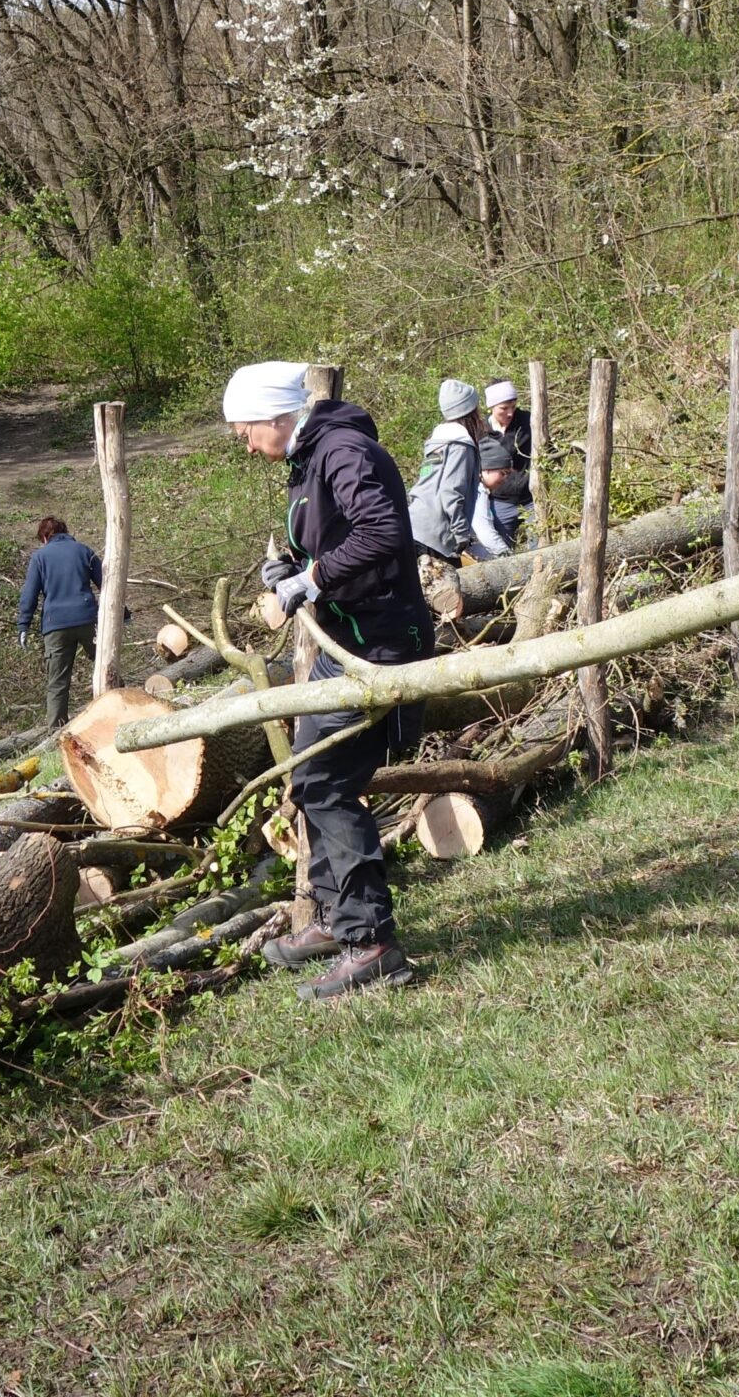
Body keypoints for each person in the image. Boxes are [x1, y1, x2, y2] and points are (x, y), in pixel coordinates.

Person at [224, 361, 436, 999]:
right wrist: (290, 564)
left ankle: (371, 943)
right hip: (341, 643)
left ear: (273, 417)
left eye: (244, 431)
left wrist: (310, 582)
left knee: (327, 783)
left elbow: (382, 532)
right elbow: (334, 535)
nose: (244, 444)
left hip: (380, 644)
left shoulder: (343, 450)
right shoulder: (310, 457)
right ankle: (334, 918)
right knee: (309, 777)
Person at [17, 516, 105, 725]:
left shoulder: (40, 557)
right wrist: (124, 613)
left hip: (55, 624)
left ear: (45, 537)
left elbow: (29, 593)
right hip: (87, 619)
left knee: (57, 682)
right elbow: (107, 582)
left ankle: (56, 732)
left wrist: (24, 625)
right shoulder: (84, 551)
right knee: (106, 666)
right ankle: (124, 711)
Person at [409, 378, 485, 564]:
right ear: (470, 412)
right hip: (435, 536)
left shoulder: (438, 442)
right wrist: (461, 536)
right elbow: (451, 492)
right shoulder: (460, 444)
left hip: (414, 525)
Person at [475, 378, 532, 553]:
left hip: (531, 499)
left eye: (513, 407)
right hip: (500, 501)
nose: (510, 413)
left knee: (539, 547)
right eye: (504, 408)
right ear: (491, 407)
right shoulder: (480, 429)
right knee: (501, 550)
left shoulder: (527, 421)